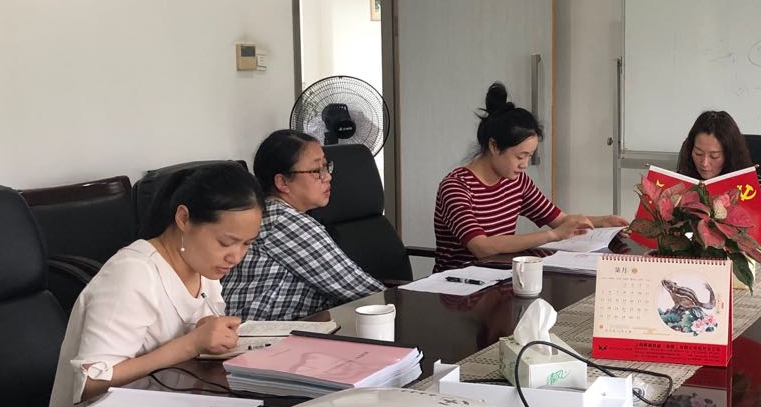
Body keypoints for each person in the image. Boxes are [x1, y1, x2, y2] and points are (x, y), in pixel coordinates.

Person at [49, 163, 263, 407]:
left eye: (246, 244)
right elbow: (92, 385)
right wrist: (191, 344)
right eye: (226, 242)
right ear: (183, 219)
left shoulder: (203, 267)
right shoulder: (133, 273)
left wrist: (205, 333)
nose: (235, 257)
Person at [433, 82, 627, 271]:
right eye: (520, 156)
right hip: (455, 285)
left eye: (529, 156)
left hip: (501, 277)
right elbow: (482, 247)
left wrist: (604, 221)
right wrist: (552, 235)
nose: (525, 164)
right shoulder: (456, 187)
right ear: (494, 146)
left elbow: (560, 220)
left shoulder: (517, 181)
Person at [221, 130, 385, 320]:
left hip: (287, 327)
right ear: (282, 182)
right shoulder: (283, 221)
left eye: (326, 167)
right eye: (316, 171)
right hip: (260, 333)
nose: (327, 177)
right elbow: (359, 288)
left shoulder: (274, 212)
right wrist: (403, 301)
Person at [676, 110, 754, 181]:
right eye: (698, 153)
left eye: (714, 156)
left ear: (730, 155)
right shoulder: (681, 177)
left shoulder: (750, 182)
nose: (704, 163)